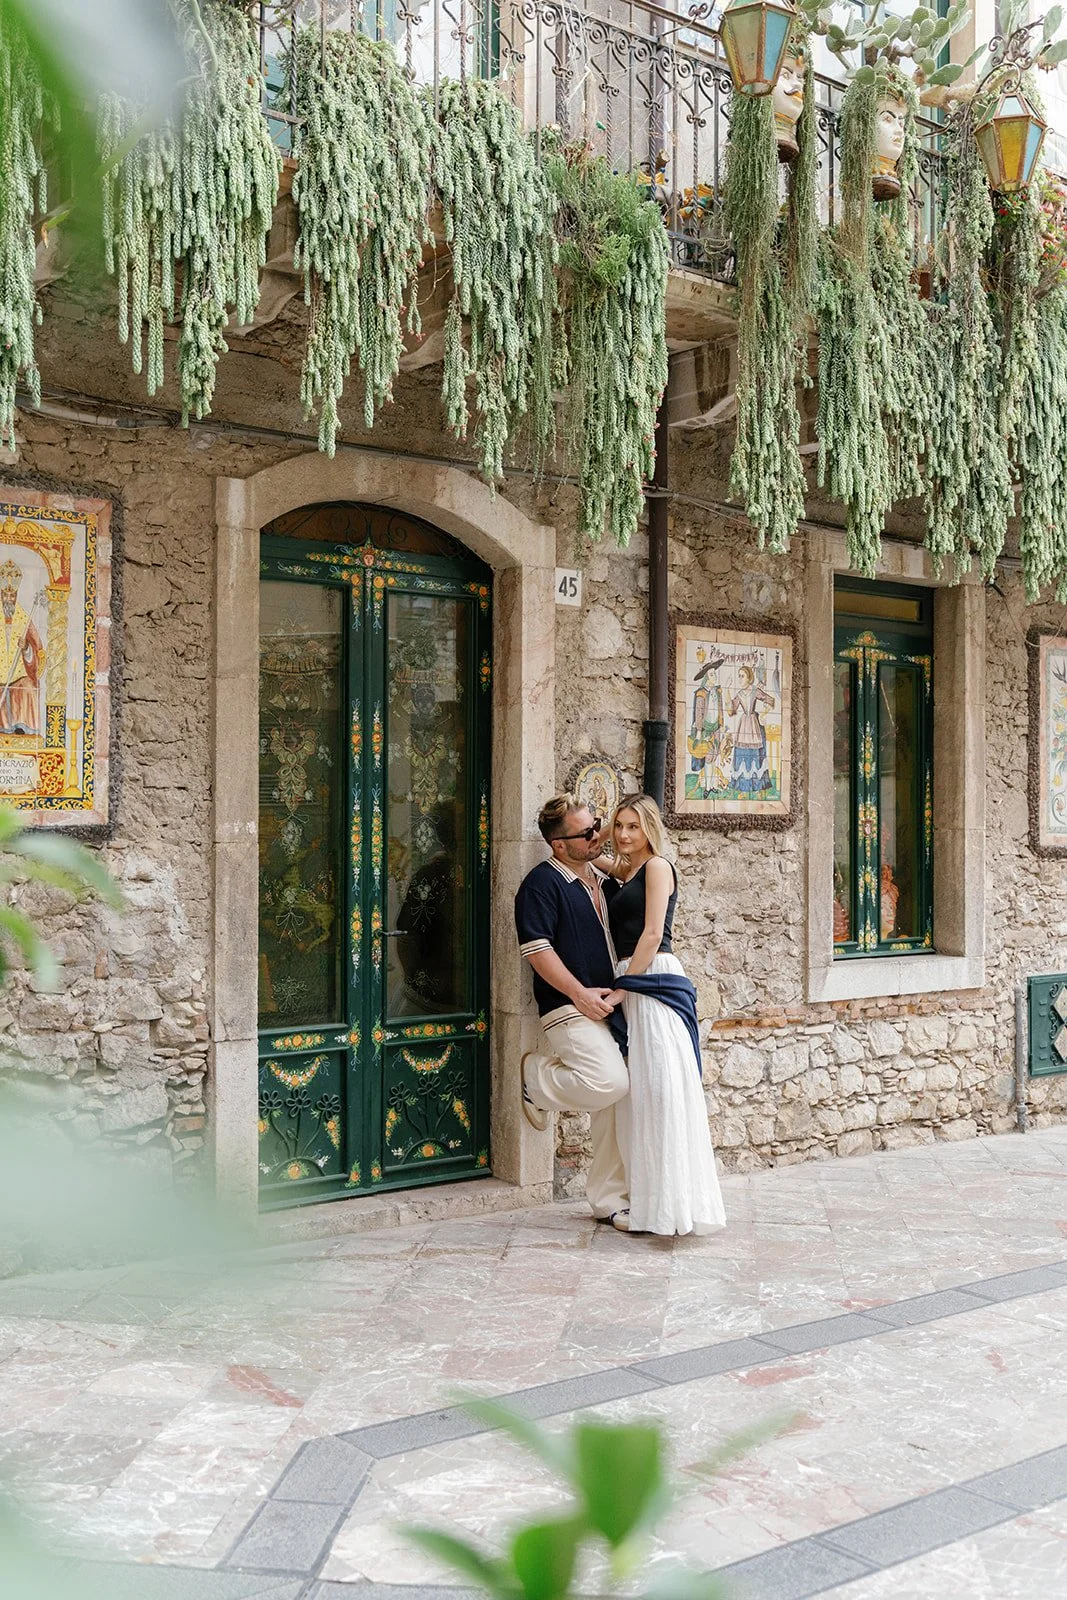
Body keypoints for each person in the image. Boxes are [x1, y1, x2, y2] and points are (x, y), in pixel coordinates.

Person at [601, 794, 725, 1237]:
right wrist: (595, 839)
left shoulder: (657, 867)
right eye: (619, 825)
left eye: (633, 826)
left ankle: (665, 1207)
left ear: (650, 828)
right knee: (643, 1094)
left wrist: (622, 989)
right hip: (633, 977)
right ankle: (650, 1200)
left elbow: (653, 934)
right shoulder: (627, 869)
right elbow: (599, 856)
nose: (624, 834)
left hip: (650, 976)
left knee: (660, 1089)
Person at [514, 794, 630, 1225]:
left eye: (595, 824)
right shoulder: (540, 884)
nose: (598, 834)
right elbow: (537, 950)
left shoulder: (602, 879)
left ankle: (608, 1199)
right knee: (610, 1083)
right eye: (586, 833)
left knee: (617, 1103)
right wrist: (579, 993)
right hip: (568, 1008)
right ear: (558, 844)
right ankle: (536, 1079)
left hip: (614, 1006)